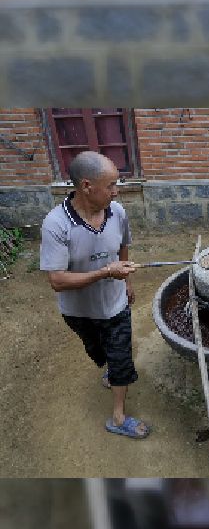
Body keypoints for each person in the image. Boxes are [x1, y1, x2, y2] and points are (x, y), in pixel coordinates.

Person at [40, 150, 150, 439]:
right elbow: (57, 280)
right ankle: (110, 367)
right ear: (86, 186)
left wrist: (124, 282)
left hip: (115, 306)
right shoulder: (56, 224)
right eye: (111, 185)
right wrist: (105, 272)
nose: (116, 191)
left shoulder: (118, 211)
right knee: (97, 351)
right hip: (79, 311)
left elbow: (122, 246)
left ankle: (117, 416)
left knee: (120, 358)